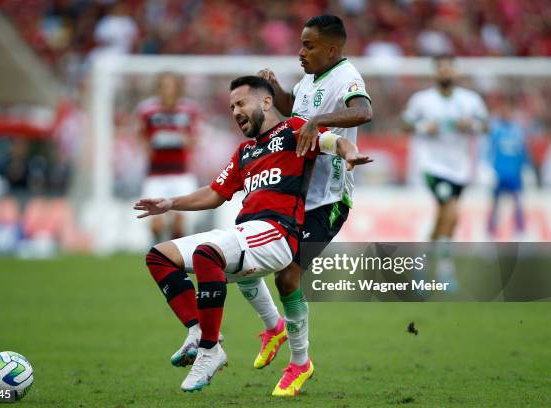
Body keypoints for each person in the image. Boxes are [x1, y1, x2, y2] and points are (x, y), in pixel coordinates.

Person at [135, 76, 371, 394]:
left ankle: (209, 350)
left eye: (241, 103)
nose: (235, 111)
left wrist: (350, 152)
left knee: (209, 253)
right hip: (247, 230)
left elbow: (335, 143)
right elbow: (216, 192)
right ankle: (198, 330)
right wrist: (170, 203)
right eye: (231, 106)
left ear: (265, 102)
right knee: (159, 256)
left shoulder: (295, 131)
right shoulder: (245, 151)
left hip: (277, 233)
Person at [241, 14, 373, 385]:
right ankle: (275, 328)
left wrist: (319, 122)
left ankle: (299, 362)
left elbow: (364, 110)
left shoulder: (347, 77)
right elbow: (294, 112)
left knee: (287, 278)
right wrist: (276, 87)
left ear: (332, 49)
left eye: (309, 46)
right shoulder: (310, 78)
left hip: (327, 200)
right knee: (245, 263)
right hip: (294, 195)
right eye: (300, 44)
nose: (300, 52)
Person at [402, 54, 488, 284]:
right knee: (451, 211)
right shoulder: (422, 99)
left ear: (456, 72)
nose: (445, 72)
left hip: (460, 167)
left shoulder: (471, 100)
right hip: (431, 165)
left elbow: (485, 125)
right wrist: (422, 127)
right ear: (435, 72)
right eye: (441, 68)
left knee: (447, 217)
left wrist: (473, 125)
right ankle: (445, 268)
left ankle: (424, 263)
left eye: (449, 68)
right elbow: (406, 123)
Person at [135, 72, 199, 241]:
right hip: (156, 175)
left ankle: (175, 259)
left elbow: (194, 140)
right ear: (159, 89)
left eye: (171, 86)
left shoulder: (188, 110)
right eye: (164, 86)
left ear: (177, 89)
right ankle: (158, 253)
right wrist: (148, 145)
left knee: (179, 223)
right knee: (156, 225)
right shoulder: (147, 111)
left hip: (181, 173)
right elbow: (141, 137)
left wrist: (182, 139)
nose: (167, 90)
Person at [487, 97, 530, 238]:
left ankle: (520, 231)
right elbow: (489, 151)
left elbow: (523, 152)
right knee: (495, 203)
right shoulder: (496, 130)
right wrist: (488, 168)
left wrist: (525, 168)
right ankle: (491, 232)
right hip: (499, 173)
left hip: (514, 174)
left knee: (518, 202)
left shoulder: (518, 131)